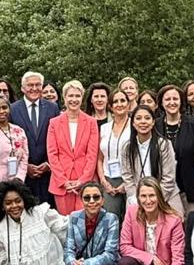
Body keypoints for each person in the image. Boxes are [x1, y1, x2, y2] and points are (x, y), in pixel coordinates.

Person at [117, 178, 186, 265]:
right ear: (138, 198)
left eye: (152, 195)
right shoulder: (131, 212)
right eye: (143, 196)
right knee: (124, 264)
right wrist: (152, 259)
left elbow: (178, 260)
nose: (148, 201)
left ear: (159, 196)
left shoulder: (174, 220)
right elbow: (124, 246)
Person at [47, 80, 100, 214]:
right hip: (61, 183)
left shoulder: (91, 122)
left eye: (77, 96)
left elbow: (92, 154)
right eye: (70, 96)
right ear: (64, 98)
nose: (74, 99)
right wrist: (63, 180)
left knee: (86, 223)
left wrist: (83, 179)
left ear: (82, 98)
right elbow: (52, 154)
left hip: (85, 183)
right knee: (65, 225)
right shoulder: (54, 123)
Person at [121, 104, 184, 215]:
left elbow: (168, 178)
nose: (143, 122)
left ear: (153, 122)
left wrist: (155, 199)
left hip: (165, 195)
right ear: (133, 123)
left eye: (147, 118)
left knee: (176, 220)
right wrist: (137, 198)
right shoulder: (127, 147)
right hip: (137, 196)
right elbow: (127, 177)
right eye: (138, 118)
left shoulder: (164, 144)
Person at [11, 71, 59, 206]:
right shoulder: (12, 109)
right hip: (23, 175)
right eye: (30, 85)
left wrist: (49, 164)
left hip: (48, 173)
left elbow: (58, 139)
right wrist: (25, 166)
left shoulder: (52, 108)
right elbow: (9, 142)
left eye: (38, 85)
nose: (34, 88)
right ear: (22, 88)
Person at [156, 84, 194, 211]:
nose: (172, 102)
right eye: (167, 99)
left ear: (181, 101)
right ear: (161, 103)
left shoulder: (193, 124)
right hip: (162, 189)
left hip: (188, 188)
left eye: (175, 99)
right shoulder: (156, 125)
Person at [97, 88, 132, 218]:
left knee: (132, 219)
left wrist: (127, 183)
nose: (119, 104)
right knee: (111, 219)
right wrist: (103, 180)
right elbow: (100, 158)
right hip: (109, 180)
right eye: (115, 101)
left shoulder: (135, 126)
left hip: (130, 179)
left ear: (128, 104)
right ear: (110, 107)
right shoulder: (104, 128)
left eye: (123, 100)